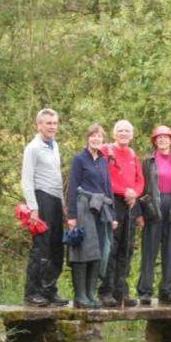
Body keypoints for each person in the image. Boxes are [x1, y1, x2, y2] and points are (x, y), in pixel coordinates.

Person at [66, 124, 117, 308]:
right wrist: (71, 215)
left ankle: (90, 294)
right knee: (82, 251)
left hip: (101, 209)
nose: (96, 139)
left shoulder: (103, 160)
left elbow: (108, 188)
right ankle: (80, 296)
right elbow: (72, 187)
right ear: (88, 138)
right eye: (93, 136)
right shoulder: (79, 159)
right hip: (83, 207)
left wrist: (113, 215)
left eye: (99, 136)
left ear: (103, 139)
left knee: (99, 251)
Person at [136, 126, 171, 306]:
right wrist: (139, 213)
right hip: (152, 209)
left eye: (166, 137)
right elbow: (141, 187)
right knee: (149, 251)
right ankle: (145, 291)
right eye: (159, 138)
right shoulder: (148, 161)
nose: (163, 140)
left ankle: (166, 291)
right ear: (155, 141)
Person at [21, 108, 67, 307]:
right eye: (48, 123)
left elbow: (57, 178)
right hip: (41, 199)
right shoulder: (33, 148)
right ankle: (33, 292)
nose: (52, 127)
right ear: (39, 125)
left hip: (56, 200)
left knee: (57, 247)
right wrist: (33, 208)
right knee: (41, 247)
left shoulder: (54, 145)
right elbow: (26, 180)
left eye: (55, 123)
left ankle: (49, 290)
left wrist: (64, 206)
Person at [98, 120, 145, 308]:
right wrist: (124, 191)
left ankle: (121, 291)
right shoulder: (106, 151)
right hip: (113, 202)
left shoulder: (133, 154)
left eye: (127, 130)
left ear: (132, 134)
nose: (124, 133)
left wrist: (135, 192)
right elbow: (103, 178)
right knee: (111, 247)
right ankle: (106, 290)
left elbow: (140, 180)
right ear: (114, 133)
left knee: (127, 247)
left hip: (130, 203)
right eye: (120, 130)